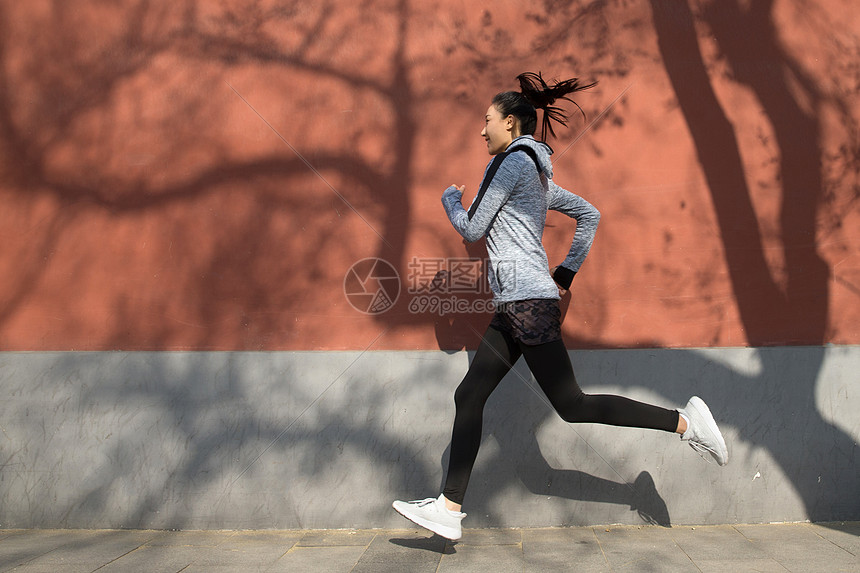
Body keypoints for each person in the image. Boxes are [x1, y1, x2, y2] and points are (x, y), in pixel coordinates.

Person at [392, 72, 728, 541]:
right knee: (469, 396)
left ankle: (687, 423)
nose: (481, 130)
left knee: (571, 404)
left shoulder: (510, 164)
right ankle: (449, 508)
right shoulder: (538, 173)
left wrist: (451, 202)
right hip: (518, 303)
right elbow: (589, 214)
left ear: (510, 124)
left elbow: (471, 229)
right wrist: (564, 276)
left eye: (486, 120)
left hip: (526, 303)